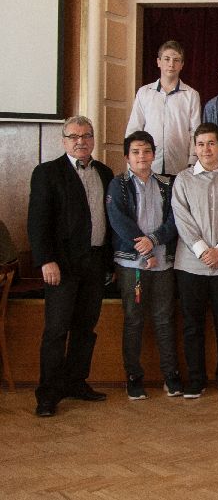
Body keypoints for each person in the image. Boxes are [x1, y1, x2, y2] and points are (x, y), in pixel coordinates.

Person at [28, 116, 114, 417]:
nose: (81, 141)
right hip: (61, 266)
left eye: (86, 135)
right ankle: (48, 394)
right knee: (56, 331)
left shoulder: (104, 172)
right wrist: (45, 260)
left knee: (85, 329)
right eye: (74, 136)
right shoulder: (47, 173)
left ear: (93, 139)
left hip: (95, 262)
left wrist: (109, 262)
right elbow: (37, 221)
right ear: (64, 140)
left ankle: (76, 382)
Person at [105, 130, 181, 400]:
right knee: (134, 319)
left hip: (162, 262)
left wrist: (154, 241)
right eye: (136, 152)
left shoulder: (167, 184)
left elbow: (174, 219)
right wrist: (144, 248)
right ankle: (134, 378)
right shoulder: (118, 185)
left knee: (164, 318)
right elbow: (118, 221)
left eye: (147, 151)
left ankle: (171, 376)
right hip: (132, 264)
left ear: (154, 154)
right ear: (127, 156)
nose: (142, 156)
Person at [170, 122, 218, 399]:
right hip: (190, 265)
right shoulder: (183, 180)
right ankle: (196, 379)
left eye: (211, 143)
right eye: (200, 144)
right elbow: (182, 219)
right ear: (194, 148)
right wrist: (202, 251)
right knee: (192, 325)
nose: (206, 149)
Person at [125, 40, 201, 176]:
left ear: (182, 65)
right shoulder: (144, 92)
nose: (171, 64)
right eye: (167, 59)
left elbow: (194, 131)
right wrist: (132, 160)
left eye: (176, 60)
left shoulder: (191, 95)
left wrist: (192, 161)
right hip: (148, 166)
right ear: (158, 62)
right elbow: (134, 129)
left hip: (180, 167)